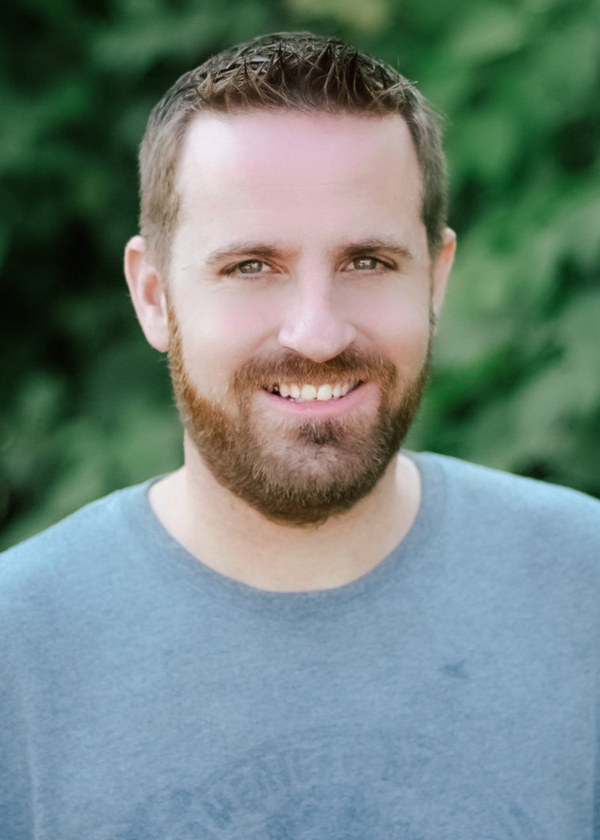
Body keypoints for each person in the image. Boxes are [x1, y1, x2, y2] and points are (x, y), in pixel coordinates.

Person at [1, 31, 598, 840]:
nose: (316, 333)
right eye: (250, 266)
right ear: (153, 295)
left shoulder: (582, 588)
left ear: (437, 277)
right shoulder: (20, 649)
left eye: (367, 262)